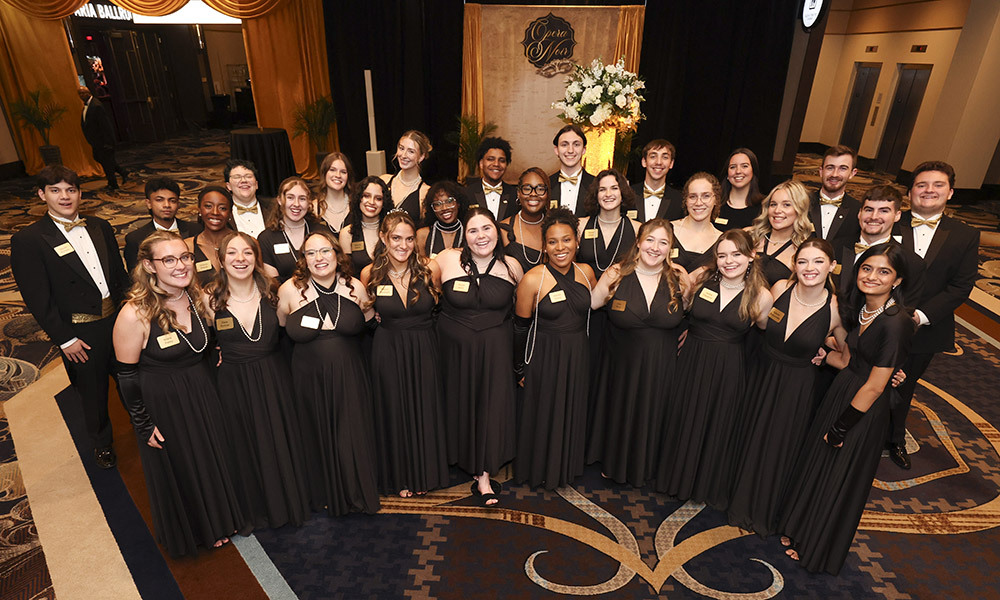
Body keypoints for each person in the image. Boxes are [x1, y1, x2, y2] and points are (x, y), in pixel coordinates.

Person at [779, 243, 914, 574]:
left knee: (839, 477)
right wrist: (826, 356)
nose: (872, 276)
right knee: (822, 468)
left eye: (884, 271)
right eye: (867, 268)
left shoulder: (897, 322)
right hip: (842, 392)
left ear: (896, 281)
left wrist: (842, 427)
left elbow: (875, 384)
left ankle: (816, 547)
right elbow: (852, 361)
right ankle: (801, 531)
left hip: (861, 411)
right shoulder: (864, 309)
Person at [112, 231, 245, 557]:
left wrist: (217, 349)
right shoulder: (134, 313)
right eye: (168, 260)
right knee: (186, 463)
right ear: (149, 265)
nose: (181, 265)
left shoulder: (195, 296)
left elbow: (203, 342)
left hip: (201, 389)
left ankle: (223, 517)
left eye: (184, 257)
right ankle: (201, 528)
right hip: (166, 401)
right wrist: (143, 424)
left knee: (211, 455)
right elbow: (126, 376)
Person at [11, 165, 129, 469]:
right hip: (80, 333)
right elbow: (38, 299)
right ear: (42, 194)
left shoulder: (100, 225)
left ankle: (145, 427)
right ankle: (102, 444)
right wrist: (65, 339)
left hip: (118, 323)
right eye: (56, 190)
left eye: (71, 190)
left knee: (133, 379)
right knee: (93, 393)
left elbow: (119, 276)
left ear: (80, 193)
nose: (65, 196)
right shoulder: (30, 239)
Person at [728, 239, 842, 537]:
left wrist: (826, 353)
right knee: (750, 434)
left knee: (779, 444)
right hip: (763, 374)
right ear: (794, 265)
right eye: (803, 261)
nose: (809, 268)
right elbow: (761, 324)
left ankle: (763, 509)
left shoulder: (835, 308)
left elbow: (848, 358)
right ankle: (737, 500)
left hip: (797, 386)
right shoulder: (779, 290)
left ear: (831, 266)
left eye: (818, 261)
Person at [655, 229, 773, 509]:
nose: (729, 261)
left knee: (715, 423)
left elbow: (767, 338)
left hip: (728, 369)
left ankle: (702, 484)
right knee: (683, 416)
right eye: (722, 255)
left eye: (736, 254)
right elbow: (681, 310)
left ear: (751, 256)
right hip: (692, 360)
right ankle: (674, 477)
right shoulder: (702, 282)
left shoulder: (761, 296)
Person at [207, 231, 310, 528]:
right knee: (244, 445)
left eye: (248, 253)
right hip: (233, 383)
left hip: (273, 378)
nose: (241, 259)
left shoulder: (273, 292)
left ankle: (287, 503)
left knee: (278, 440)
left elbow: (283, 332)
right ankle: (256, 510)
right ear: (221, 260)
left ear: (257, 257)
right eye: (233, 253)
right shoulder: (208, 298)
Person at [276, 230, 380, 515]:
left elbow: (370, 321)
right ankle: (324, 494)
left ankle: (356, 491)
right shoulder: (288, 291)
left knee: (351, 432)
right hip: (308, 378)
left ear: (337, 254)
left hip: (350, 373)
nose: (319, 258)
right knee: (317, 432)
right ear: (303, 259)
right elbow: (282, 328)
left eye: (325, 251)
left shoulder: (355, 287)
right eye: (311, 253)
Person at [889, 161, 980, 470]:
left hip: (926, 328)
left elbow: (961, 286)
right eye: (922, 185)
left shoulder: (965, 234)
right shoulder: (890, 222)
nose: (929, 190)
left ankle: (894, 437)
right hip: (879, 319)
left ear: (950, 192)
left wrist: (919, 316)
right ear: (910, 191)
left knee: (905, 384)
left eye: (937, 185)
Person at [587, 219, 688, 486]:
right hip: (621, 365)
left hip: (661, 367)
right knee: (621, 410)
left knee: (654, 413)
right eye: (650, 240)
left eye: (663, 242)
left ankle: (648, 467)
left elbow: (692, 311)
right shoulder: (616, 274)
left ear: (671, 248)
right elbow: (591, 305)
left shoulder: (679, 278)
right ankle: (615, 463)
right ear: (639, 242)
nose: (655, 248)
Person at [433, 207, 524, 505]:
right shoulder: (446, 259)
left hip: (496, 350)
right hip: (453, 350)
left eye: (486, 228)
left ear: (497, 232)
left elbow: (522, 309)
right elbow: (423, 291)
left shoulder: (512, 266)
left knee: (489, 404)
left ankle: (484, 474)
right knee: (458, 401)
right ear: (464, 235)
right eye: (473, 230)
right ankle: (457, 457)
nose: (480, 236)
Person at [361, 212, 449, 497]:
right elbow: (366, 315)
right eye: (396, 238)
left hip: (424, 346)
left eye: (409, 238)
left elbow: (439, 306)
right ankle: (400, 476)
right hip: (388, 348)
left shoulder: (429, 268)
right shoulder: (369, 273)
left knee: (425, 407)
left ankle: (426, 473)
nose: (403, 245)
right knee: (394, 410)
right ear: (384, 238)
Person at [514, 208, 595, 489]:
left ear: (577, 241)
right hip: (544, 356)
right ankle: (539, 469)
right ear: (544, 246)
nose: (560, 247)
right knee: (544, 410)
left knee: (571, 408)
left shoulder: (586, 273)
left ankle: (565, 466)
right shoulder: (533, 278)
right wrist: (519, 369)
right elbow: (520, 327)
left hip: (577, 355)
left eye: (566, 240)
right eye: (552, 242)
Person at [834, 185, 925, 307]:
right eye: (869, 210)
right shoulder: (833, 247)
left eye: (884, 211)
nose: (874, 217)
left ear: (897, 215)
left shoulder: (911, 262)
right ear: (859, 213)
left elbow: (905, 309)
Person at [259, 176, 329, 283]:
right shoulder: (266, 238)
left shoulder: (322, 232)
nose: (296, 204)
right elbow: (273, 283)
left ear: (309, 202)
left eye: (302, 199)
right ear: (279, 200)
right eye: (290, 197)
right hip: (285, 297)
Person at [124, 177, 200, 272]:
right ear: (149, 203)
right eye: (160, 200)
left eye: (172, 200)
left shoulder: (196, 230)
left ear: (178, 204)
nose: (167, 205)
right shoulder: (136, 239)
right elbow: (136, 277)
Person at [576, 168, 641, 280]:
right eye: (602, 190)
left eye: (614, 188)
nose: (608, 194)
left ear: (623, 192)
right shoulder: (580, 225)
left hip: (622, 294)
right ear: (596, 195)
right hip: (585, 292)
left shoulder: (637, 229)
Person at [748, 180, 814, 285]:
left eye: (786, 205)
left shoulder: (803, 250)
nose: (777, 210)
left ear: (799, 209)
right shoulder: (750, 236)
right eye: (773, 204)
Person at [671, 172, 724, 276]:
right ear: (686, 200)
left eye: (706, 196)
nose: (699, 202)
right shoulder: (668, 230)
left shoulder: (722, 240)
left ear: (716, 200)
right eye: (693, 197)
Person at [808, 145, 861, 248]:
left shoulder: (858, 211)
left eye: (843, 168)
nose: (835, 174)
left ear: (852, 173)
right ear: (821, 171)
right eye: (830, 167)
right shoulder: (802, 203)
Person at [500, 167, 549, 273]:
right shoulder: (503, 229)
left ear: (547, 194)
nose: (533, 194)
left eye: (540, 189)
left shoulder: (555, 228)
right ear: (518, 193)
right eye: (527, 188)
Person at [77, 86, 126, 191]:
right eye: (79, 94)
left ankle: (113, 183)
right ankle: (123, 172)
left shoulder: (96, 106)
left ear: (88, 93)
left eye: (82, 93)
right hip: (95, 141)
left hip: (103, 141)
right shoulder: (88, 106)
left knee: (107, 162)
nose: (81, 96)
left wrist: (108, 142)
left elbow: (105, 126)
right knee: (100, 159)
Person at [341, 176, 392, 275]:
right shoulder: (347, 234)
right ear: (358, 198)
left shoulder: (391, 230)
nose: (372, 202)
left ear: (384, 203)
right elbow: (347, 273)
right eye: (366, 196)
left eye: (378, 198)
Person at [185, 186, 234, 287]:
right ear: (199, 210)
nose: (215, 212)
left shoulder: (247, 243)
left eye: (222, 208)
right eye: (208, 206)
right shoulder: (187, 246)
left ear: (230, 213)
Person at [381, 130, 432, 221]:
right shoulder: (384, 181)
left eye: (411, 151)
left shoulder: (425, 192)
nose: (403, 155)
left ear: (421, 157)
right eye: (401, 148)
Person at [630, 139, 684, 222]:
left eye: (665, 157)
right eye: (653, 156)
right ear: (644, 162)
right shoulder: (628, 194)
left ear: (671, 163)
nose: (659, 162)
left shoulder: (679, 200)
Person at [464, 137, 517, 221]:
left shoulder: (515, 195)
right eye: (490, 159)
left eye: (502, 160)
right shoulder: (467, 194)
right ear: (481, 164)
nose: (496, 164)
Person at [549, 124, 594, 217]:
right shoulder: (546, 184)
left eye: (576, 144)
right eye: (564, 145)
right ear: (556, 150)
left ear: (584, 150)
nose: (570, 150)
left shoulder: (596, 184)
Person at [416, 181, 469, 258]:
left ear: (458, 203)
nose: (444, 208)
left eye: (449, 201)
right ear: (432, 208)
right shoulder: (423, 235)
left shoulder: (470, 232)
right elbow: (419, 268)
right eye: (438, 204)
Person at [718, 148, 764, 230]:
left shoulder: (765, 206)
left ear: (753, 171)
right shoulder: (715, 203)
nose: (738, 171)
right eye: (733, 167)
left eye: (744, 166)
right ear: (727, 174)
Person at [225, 159, 272, 238]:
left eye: (248, 176)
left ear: (256, 184)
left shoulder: (274, 207)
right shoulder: (223, 212)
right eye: (237, 177)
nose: (243, 180)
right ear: (228, 186)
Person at [314, 152, 355, 232]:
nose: (338, 175)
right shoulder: (313, 208)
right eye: (332, 170)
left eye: (343, 172)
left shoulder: (356, 205)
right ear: (324, 173)